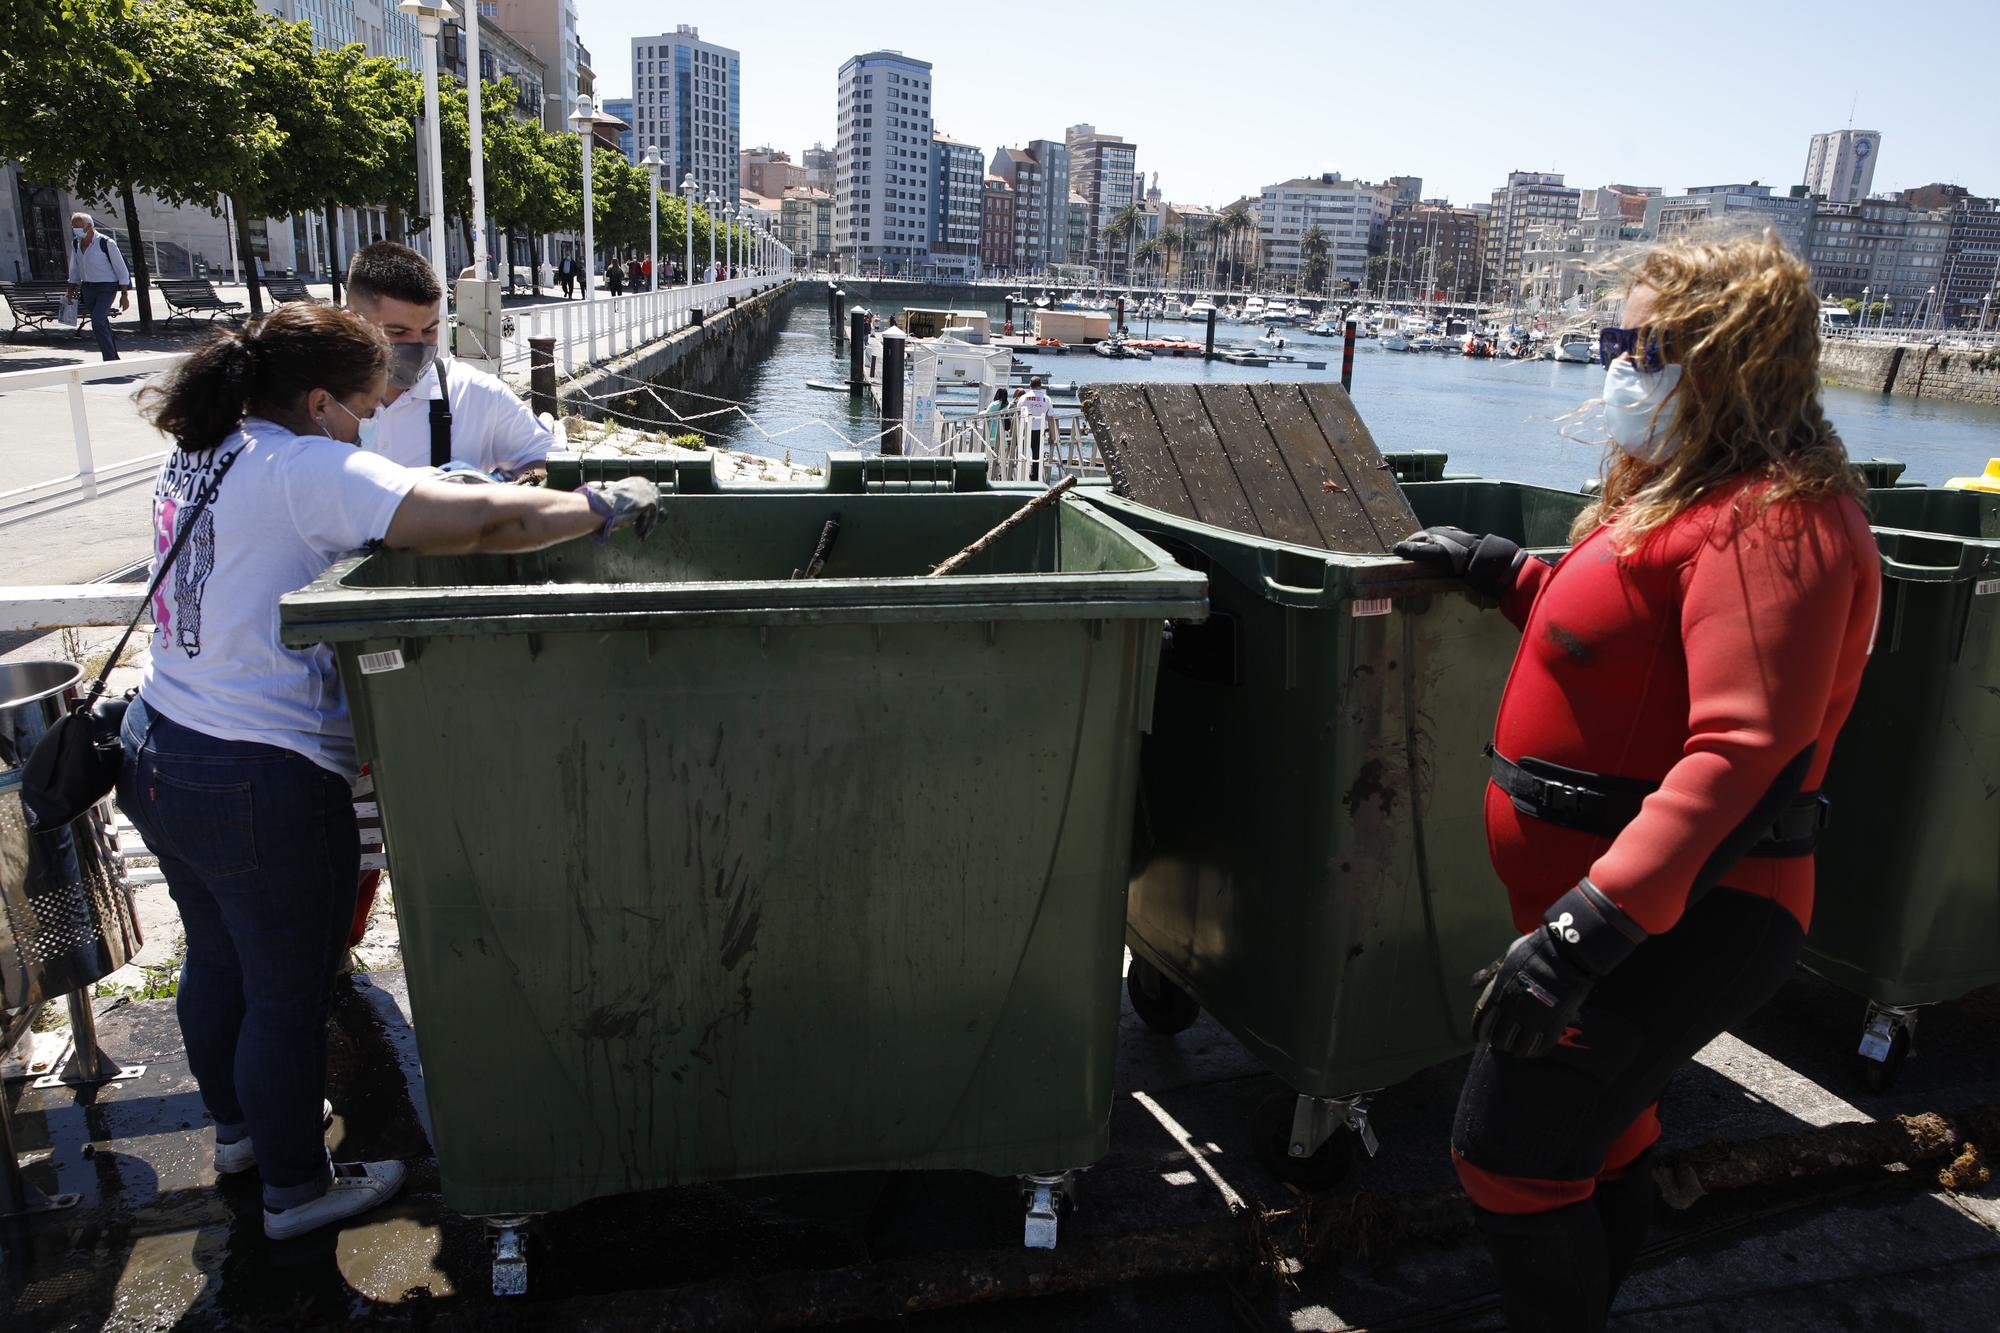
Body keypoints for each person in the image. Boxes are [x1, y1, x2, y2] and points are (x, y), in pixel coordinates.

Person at [1394, 230, 1881, 1332]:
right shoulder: (1690, 493)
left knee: (1505, 1160)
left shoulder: (1773, 517)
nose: (1617, 364)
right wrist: (1500, 571)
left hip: (1678, 920)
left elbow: (1744, 751)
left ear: (1735, 356)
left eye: (1647, 344)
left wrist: (1585, 932)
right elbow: (1623, 638)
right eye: (1612, 338)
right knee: (1595, 1142)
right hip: (1626, 914)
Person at [119, 303, 659, 1241]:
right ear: (320, 398)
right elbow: (486, 525)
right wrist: (599, 507)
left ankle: (244, 1137)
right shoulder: (302, 466)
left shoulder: (210, 447)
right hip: (260, 773)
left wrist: (428, 479)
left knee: (218, 962)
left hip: (161, 743)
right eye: (363, 406)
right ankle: (296, 1190)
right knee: (289, 991)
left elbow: (367, 498)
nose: (370, 423)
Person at [344, 242, 552, 484]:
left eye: (429, 330)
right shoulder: (315, 402)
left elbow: (548, 458)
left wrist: (500, 489)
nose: (418, 345)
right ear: (353, 324)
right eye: (398, 332)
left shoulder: (474, 394)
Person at [64, 212, 131, 361]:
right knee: (102, 323)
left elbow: (121, 269)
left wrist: (124, 295)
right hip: (88, 288)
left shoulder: (106, 242)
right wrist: (70, 290)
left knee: (97, 322)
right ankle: (113, 357)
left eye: (78, 226)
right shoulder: (76, 243)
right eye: (73, 227)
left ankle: (109, 359)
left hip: (106, 287)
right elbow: (74, 268)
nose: (75, 229)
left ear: (89, 226)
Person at [1019, 375, 1053, 480]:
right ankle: (1035, 476)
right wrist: (1052, 435)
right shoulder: (1047, 399)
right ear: (1041, 386)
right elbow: (1051, 418)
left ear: (1030, 385)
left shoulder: (1023, 398)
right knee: (1037, 455)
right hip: (1039, 430)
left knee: (1023, 453)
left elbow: (1017, 414)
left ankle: (1021, 474)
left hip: (1025, 429)